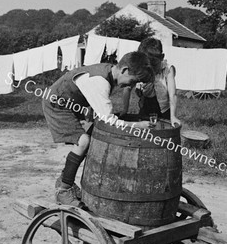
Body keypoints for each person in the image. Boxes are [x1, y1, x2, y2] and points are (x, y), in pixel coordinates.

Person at [42, 51, 153, 206]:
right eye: (132, 81)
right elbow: (109, 120)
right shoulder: (100, 81)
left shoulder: (110, 71)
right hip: (57, 104)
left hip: (71, 102)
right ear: (124, 70)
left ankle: (64, 178)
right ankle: (63, 189)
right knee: (83, 141)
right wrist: (138, 126)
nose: (131, 86)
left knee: (93, 134)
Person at [121, 38, 181, 127]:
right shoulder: (141, 67)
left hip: (164, 109)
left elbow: (172, 94)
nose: (151, 69)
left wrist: (173, 116)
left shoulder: (168, 69)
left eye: (154, 65)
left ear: (162, 57)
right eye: (148, 66)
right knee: (145, 132)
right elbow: (127, 88)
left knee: (162, 132)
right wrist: (125, 110)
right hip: (146, 106)